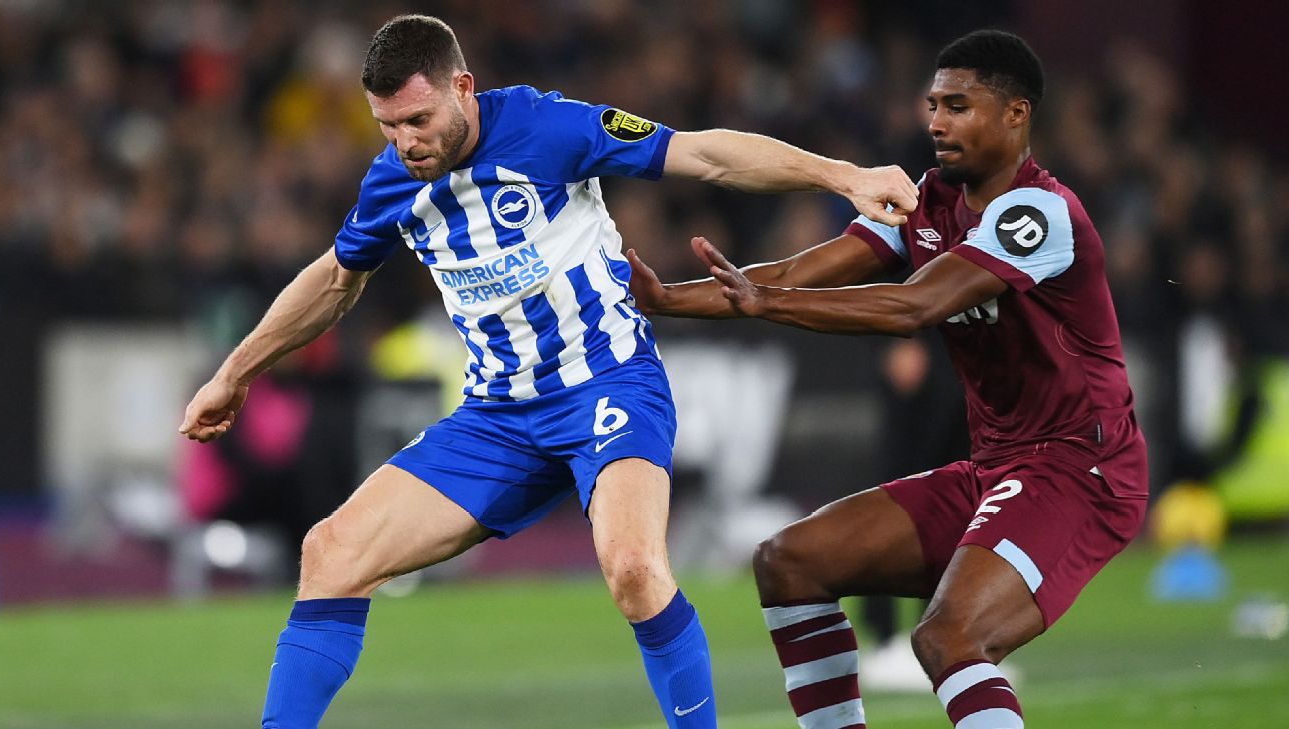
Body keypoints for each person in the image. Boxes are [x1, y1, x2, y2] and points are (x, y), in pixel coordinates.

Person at [177, 14, 916, 729]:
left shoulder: (548, 128)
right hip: (498, 418)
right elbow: (338, 279)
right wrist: (235, 371)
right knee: (330, 552)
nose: (405, 143)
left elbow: (705, 155)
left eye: (418, 121)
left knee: (634, 570)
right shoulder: (393, 182)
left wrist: (842, 176)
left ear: (462, 87)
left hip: (609, 387)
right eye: (387, 127)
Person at [628, 30, 1148, 729]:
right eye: (934, 105)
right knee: (790, 562)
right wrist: (668, 299)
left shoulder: (1039, 213)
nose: (936, 122)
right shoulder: (927, 201)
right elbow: (796, 272)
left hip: (1079, 470)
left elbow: (915, 306)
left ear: (1016, 114)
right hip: (996, 468)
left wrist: (768, 303)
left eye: (959, 106)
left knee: (948, 638)